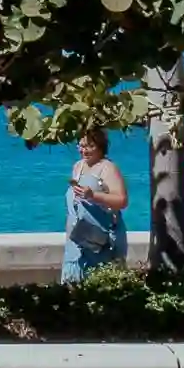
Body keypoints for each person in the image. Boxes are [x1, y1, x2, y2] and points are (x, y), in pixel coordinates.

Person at [62, 121, 128, 283]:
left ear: (100, 146)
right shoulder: (78, 166)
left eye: (90, 146)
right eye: (81, 146)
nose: (84, 150)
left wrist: (93, 196)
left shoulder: (108, 168)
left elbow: (122, 200)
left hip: (101, 238)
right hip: (78, 237)